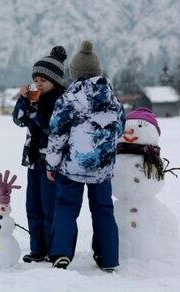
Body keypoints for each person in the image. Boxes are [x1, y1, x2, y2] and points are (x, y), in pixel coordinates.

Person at [46, 40, 125, 272]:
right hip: (102, 168)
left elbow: (57, 134)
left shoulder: (69, 99)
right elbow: (119, 128)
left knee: (66, 207)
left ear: (75, 73)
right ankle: (109, 258)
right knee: (103, 210)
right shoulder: (113, 99)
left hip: (73, 167)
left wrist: (51, 164)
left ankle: (61, 253)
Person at [12, 46, 69, 263]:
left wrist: (35, 108)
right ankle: (37, 249)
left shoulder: (61, 102)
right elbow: (19, 120)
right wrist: (23, 99)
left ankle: (52, 249)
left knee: (49, 208)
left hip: (51, 163)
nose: (38, 84)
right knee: (33, 207)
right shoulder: (34, 98)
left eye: (43, 80)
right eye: (36, 79)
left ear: (54, 81)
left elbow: (48, 127)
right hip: (33, 161)